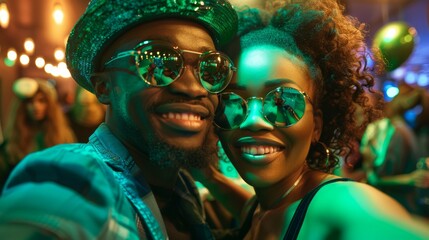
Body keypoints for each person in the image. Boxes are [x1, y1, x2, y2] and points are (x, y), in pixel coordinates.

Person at [0, 0, 239, 239]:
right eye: (158, 63)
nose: (193, 88)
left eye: (209, 69)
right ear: (104, 88)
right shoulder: (72, 177)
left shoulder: (181, 188)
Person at [213, 0, 429, 239]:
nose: (253, 120)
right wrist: (208, 175)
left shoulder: (341, 204)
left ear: (317, 125)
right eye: (232, 101)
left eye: (284, 101)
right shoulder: (259, 205)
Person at [0, 77, 76, 189]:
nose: (36, 106)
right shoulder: (13, 140)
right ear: (22, 106)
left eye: (41, 101)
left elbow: (72, 171)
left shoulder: (64, 135)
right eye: (30, 102)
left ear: (50, 105)